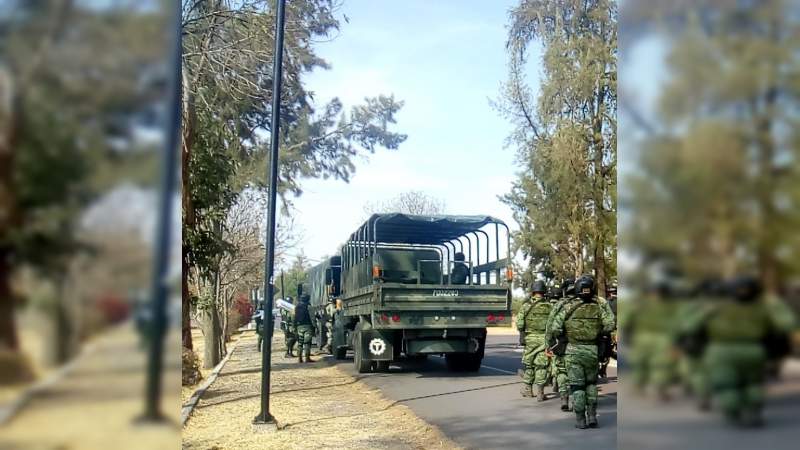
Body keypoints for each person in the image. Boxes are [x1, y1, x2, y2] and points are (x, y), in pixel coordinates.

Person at [684, 276, 793, 427]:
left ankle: (733, 412)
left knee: (727, 385)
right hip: (755, 350)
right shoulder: (763, 308)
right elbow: (786, 325)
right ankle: (754, 411)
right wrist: (775, 306)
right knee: (753, 383)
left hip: (720, 351)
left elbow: (688, 327)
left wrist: (703, 313)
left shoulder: (714, 307)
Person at [549, 275, 615, 429]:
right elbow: (610, 324)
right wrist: (597, 332)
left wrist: (566, 335)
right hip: (592, 350)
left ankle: (580, 420)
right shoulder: (599, 306)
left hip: (573, 351)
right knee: (591, 384)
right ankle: (592, 416)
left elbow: (555, 328)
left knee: (577, 387)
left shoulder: (567, 306)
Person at [517, 280, 553, 401]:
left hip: (530, 339)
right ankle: (540, 392)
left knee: (529, 364)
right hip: (544, 339)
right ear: (544, 292)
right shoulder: (550, 306)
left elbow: (520, 324)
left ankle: (527, 389)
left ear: (533, 292)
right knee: (541, 365)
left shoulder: (525, 307)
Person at [546, 278, 575, 411]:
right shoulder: (593, 303)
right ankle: (578, 401)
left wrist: (548, 344)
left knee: (562, 372)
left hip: (563, 344)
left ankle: (564, 398)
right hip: (584, 346)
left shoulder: (559, 305)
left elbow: (550, 326)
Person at [293, 294, 316, 363]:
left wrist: (294, 327)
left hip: (299, 327)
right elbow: (313, 318)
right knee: (307, 343)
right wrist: (314, 327)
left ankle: (299, 358)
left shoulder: (296, 307)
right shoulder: (309, 307)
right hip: (307, 326)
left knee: (300, 343)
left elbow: (294, 318)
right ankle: (307, 358)